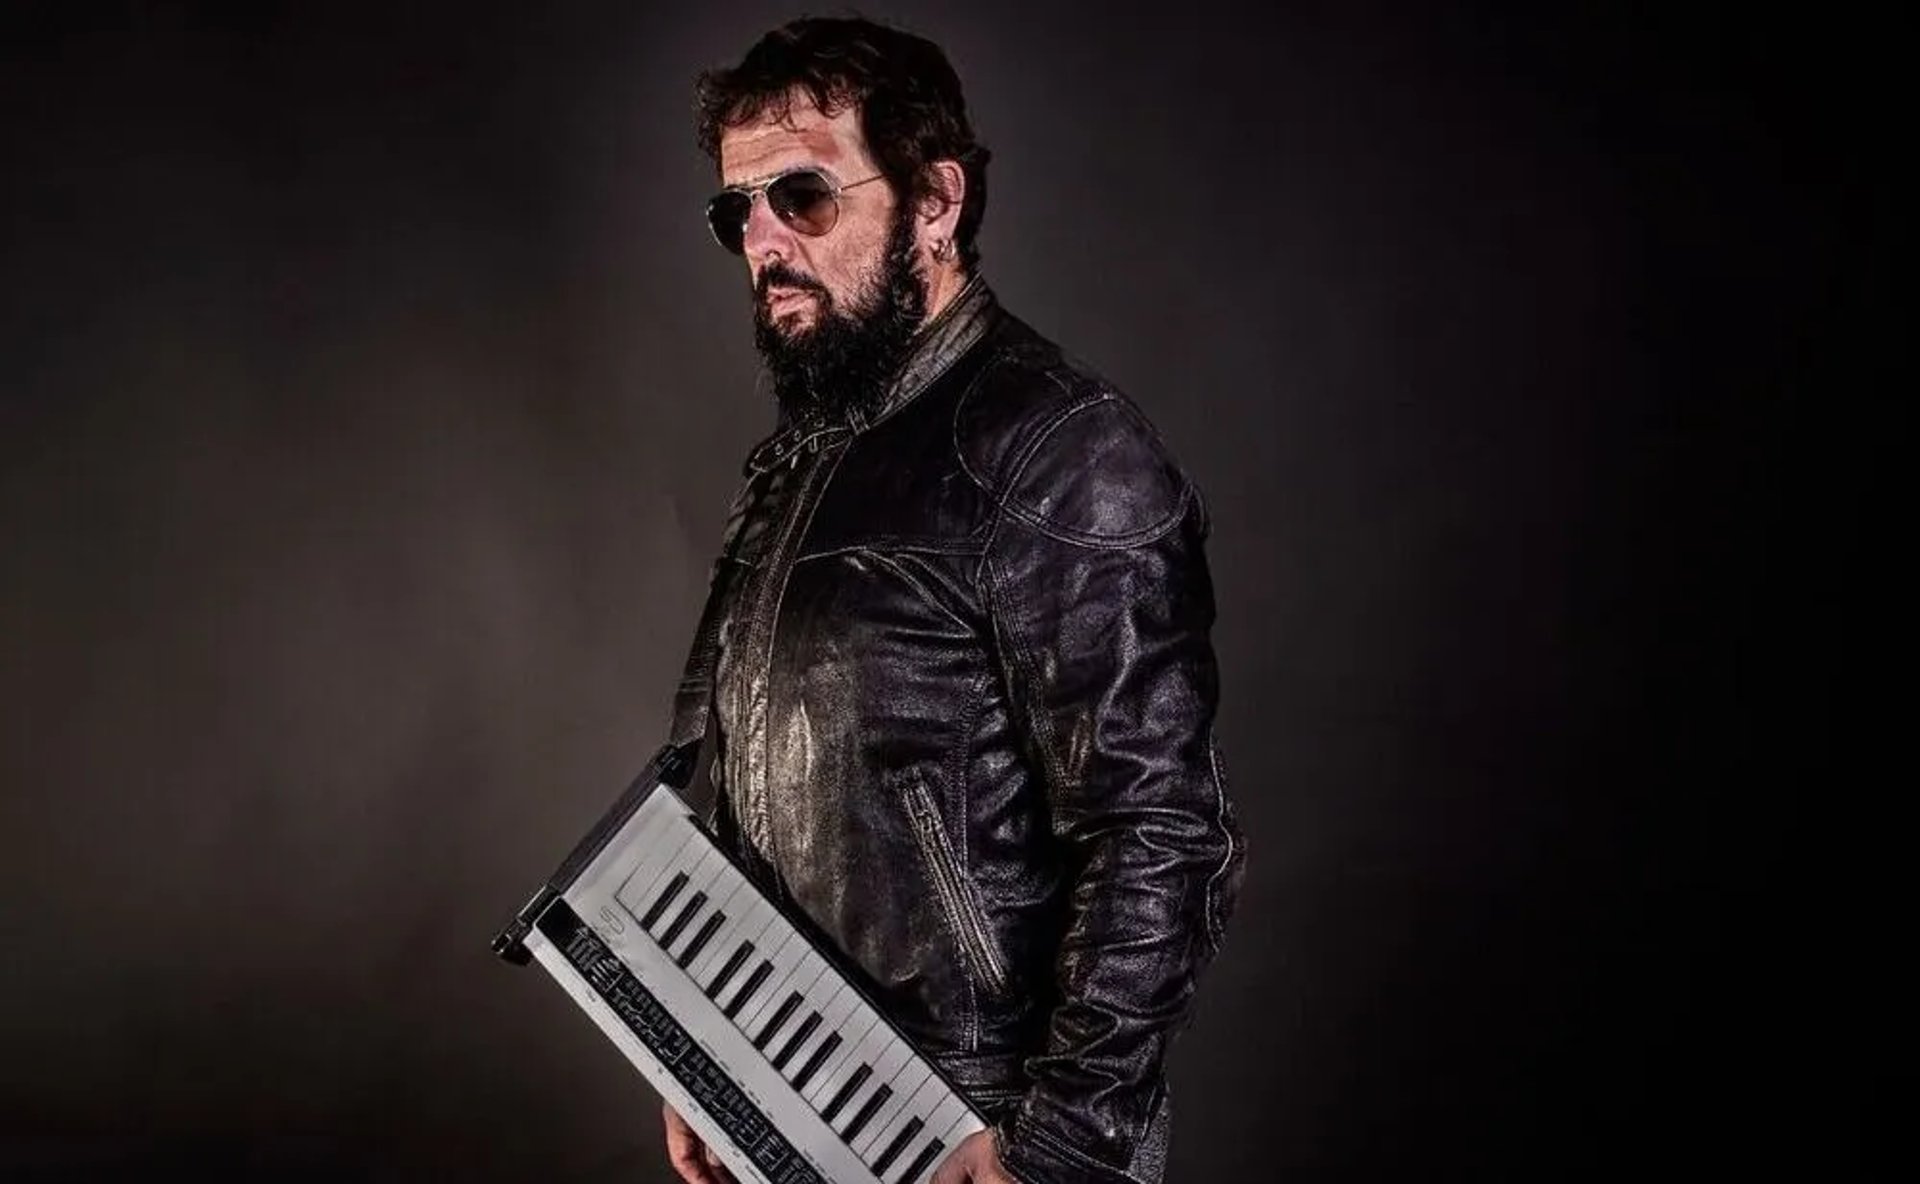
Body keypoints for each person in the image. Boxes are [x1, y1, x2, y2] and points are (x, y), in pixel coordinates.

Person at [659, 16, 1246, 1184]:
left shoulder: (1063, 449)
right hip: (799, 1105)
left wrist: (1058, 1147)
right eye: (739, 212)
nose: (764, 242)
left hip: (974, 1135)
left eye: (803, 197)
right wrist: (701, 1051)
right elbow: (711, 765)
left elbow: (1161, 832)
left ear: (934, 200)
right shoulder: (799, 459)